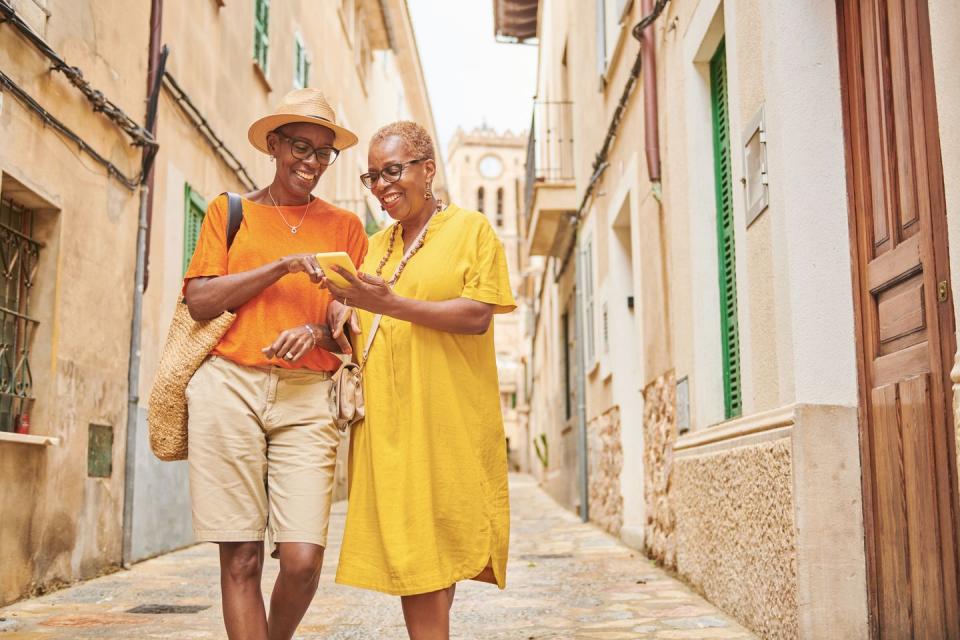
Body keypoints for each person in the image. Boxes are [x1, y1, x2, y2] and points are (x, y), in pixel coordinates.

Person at [182, 88, 367, 640]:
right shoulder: (229, 212)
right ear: (273, 144)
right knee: (239, 559)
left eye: (323, 152)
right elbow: (200, 301)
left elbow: (351, 323)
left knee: (303, 560)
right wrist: (282, 266)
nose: (311, 162)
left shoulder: (347, 229)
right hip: (229, 387)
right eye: (300, 147)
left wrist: (317, 328)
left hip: (309, 393)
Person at [325, 121, 516, 640]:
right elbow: (358, 322)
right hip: (387, 425)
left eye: (393, 170)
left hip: (448, 417)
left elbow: (478, 314)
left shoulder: (471, 229)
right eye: (372, 176)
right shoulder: (371, 246)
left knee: (436, 556)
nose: (383, 185)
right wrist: (337, 319)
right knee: (419, 559)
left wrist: (392, 304)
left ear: (427, 169)